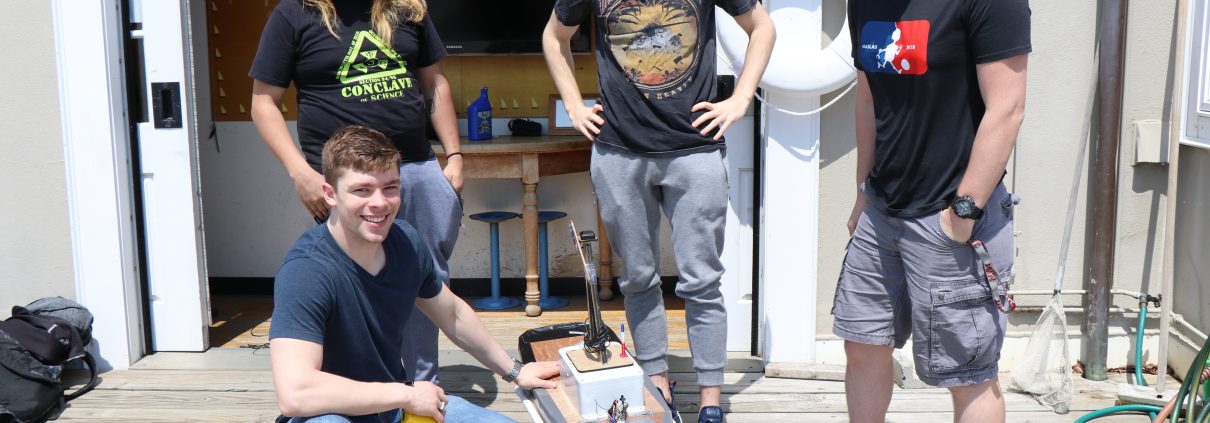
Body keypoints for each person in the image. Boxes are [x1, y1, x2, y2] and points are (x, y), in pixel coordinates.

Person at [543, 2, 775, 422]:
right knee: (637, 279)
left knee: (702, 280)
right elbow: (554, 36)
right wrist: (574, 105)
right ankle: (656, 382)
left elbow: (762, 27)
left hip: (695, 150)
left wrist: (741, 98)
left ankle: (710, 398)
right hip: (618, 153)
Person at [269, 126, 560, 423]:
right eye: (362, 189)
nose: (380, 203)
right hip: (329, 413)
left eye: (390, 187)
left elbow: (453, 314)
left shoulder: (406, 241)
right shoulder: (306, 271)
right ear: (330, 194)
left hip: (393, 410)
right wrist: (406, 394)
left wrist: (515, 371)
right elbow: (295, 394)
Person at [833, 1, 1030, 422]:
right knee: (862, 345)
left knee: (966, 371)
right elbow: (867, 99)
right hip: (882, 209)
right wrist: (862, 189)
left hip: (951, 217)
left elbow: (1007, 107)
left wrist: (962, 213)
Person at [250, 0, 463, 384]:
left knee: (428, 277)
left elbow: (434, 82)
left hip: (414, 166)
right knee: (353, 277)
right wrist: (301, 173)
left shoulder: (408, 8)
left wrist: (454, 156)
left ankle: (420, 388)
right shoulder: (294, 13)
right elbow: (263, 102)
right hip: (343, 180)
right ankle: (360, 389)